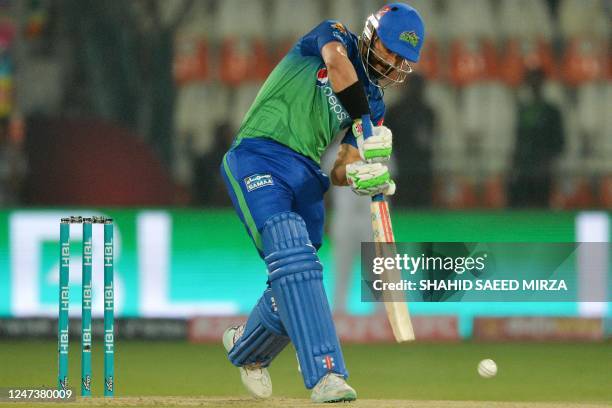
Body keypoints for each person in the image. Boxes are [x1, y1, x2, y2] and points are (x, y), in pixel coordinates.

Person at [219, 3, 424, 403]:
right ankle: (326, 374)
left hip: (307, 174)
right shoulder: (333, 36)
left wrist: (364, 177)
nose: (395, 62)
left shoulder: (375, 104)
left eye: (403, 58)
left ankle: (246, 347)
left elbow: (340, 169)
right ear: (371, 35)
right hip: (258, 156)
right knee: (294, 257)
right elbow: (338, 65)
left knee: (297, 276)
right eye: (391, 49)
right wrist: (365, 125)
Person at [510, 68, 564, 206]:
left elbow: (559, 141)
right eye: (530, 81)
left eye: (537, 80)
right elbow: (518, 139)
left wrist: (547, 161)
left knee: (542, 207)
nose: (534, 84)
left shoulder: (551, 111)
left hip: (543, 171)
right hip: (523, 169)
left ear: (542, 83)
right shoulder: (522, 109)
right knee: (522, 208)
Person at [384, 73, 435, 206]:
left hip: (419, 170)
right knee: (406, 209)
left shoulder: (428, 112)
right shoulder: (395, 112)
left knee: (418, 210)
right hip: (403, 169)